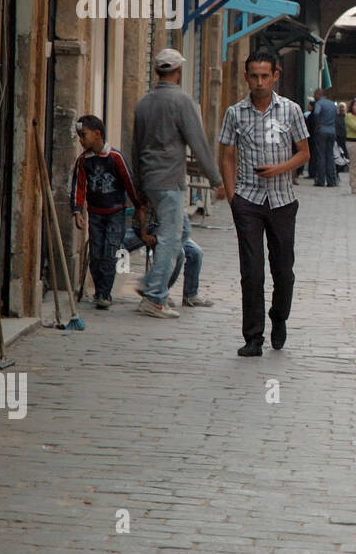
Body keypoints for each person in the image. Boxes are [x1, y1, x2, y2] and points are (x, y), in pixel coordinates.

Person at [218, 51, 311, 357]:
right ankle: (253, 337)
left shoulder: (291, 111)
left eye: (264, 76)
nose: (259, 82)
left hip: (283, 200)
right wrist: (233, 197)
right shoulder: (235, 113)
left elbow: (304, 153)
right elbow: (227, 155)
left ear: (275, 75)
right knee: (252, 271)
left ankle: (279, 317)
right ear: (246, 77)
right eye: (253, 76)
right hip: (248, 200)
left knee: (283, 269)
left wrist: (279, 169)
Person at [131, 48, 225, 319]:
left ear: (157, 71)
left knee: (180, 235)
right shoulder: (182, 102)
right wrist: (216, 180)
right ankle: (154, 295)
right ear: (180, 71)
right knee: (170, 240)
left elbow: (135, 147)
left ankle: (155, 285)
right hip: (170, 181)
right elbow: (199, 143)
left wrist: (139, 188)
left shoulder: (143, 103)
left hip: (150, 181)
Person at [69, 114, 145, 309]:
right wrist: (77, 211)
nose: (81, 140)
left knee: (110, 251)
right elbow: (79, 187)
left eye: (83, 135)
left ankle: (104, 293)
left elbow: (129, 183)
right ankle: (99, 290)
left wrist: (139, 207)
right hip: (95, 214)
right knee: (95, 253)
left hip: (115, 214)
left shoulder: (115, 158)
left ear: (97, 134)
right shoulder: (83, 162)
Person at [123, 211, 211, 308]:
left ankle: (190, 295)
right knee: (178, 253)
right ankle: (157, 290)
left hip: (172, 230)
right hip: (153, 227)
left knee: (196, 252)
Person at [312, 87, 338, 187]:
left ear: (319, 94)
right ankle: (331, 181)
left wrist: (318, 123)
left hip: (322, 131)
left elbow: (316, 113)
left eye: (315, 94)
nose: (314, 97)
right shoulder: (332, 104)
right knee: (330, 156)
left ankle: (321, 180)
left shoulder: (319, 103)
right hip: (332, 131)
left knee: (321, 156)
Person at [335, 101, 350, 169]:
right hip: (338, 138)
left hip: (346, 138)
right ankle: (339, 167)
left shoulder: (348, 117)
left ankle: (346, 167)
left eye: (343, 107)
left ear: (345, 108)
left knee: (346, 152)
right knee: (338, 153)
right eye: (340, 107)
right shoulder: (336, 117)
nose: (341, 109)